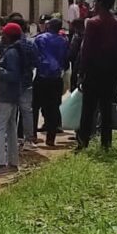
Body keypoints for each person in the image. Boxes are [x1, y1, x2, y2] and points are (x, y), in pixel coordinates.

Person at [77, 0, 117, 151]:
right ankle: (106, 143)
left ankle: (83, 142)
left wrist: (81, 73)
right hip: (110, 73)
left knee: (88, 109)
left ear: (100, 3)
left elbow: (86, 50)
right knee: (106, 110)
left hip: (93, 71)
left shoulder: (92, 23)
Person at [0, 22, 24, 176]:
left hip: (6, 95)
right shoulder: (16, 51)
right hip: (13, 95)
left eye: (4, 33)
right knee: (11, 128)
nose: (2, 36)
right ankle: (13, 162)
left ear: (9, 36)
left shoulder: (11, 53)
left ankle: (0, 164)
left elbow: (12, 75)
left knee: (0, 128)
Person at [33, 18, 69, 147]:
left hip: (41, 77)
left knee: (35, 106)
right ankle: (51, 138)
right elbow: (66, 61)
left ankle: (32, 135)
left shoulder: (39, 39)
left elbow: (34, 56)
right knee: (53, 107)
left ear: (49, 26)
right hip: (56, 78)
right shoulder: (64, 41)